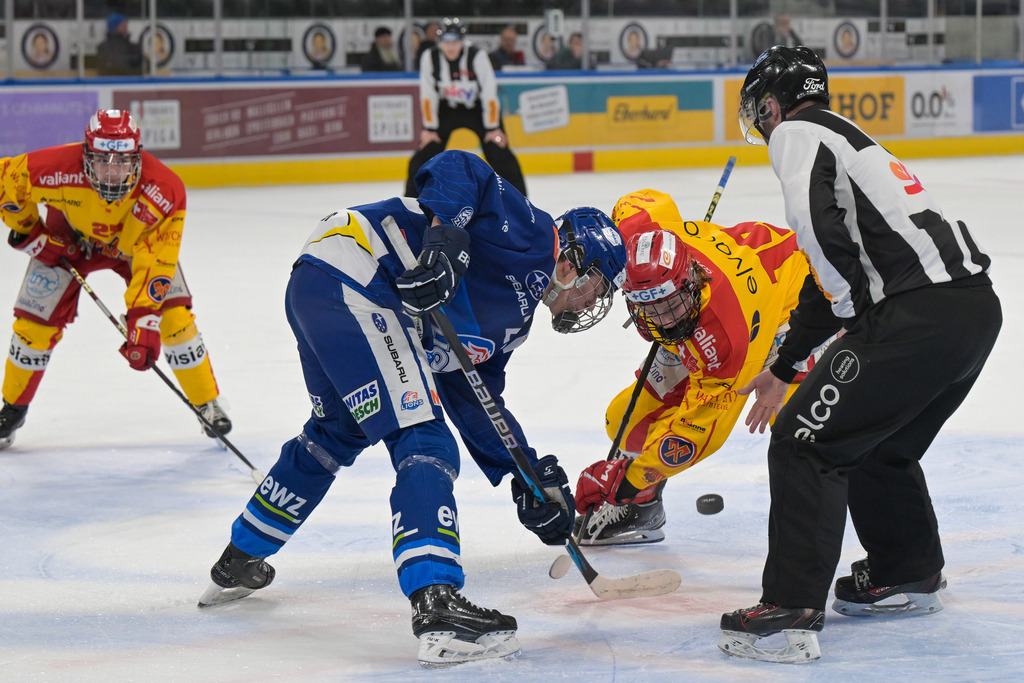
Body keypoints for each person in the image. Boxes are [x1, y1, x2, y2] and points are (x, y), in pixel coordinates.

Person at [197, 150, 627, 668]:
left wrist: (528, 477)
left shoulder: (514, 324)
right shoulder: (534, 235)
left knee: (338, 431)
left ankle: (240, 557)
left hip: (325, 287)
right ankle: (437, 604)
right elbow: (459, 167)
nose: (592, 303)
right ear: (572, 263)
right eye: (598, 286)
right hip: (354, 272)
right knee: (425, 438)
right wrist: (445, 247)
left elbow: (477, 399)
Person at [716, 46, 1001, 663]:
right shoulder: (846, 137)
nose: (761, 124)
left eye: (758, 112)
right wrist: (787, 368)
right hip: (972, 312)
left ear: (771, 103)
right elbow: (832, 276)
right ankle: (906, 572)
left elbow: (820, 243)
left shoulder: (795, 132)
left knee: (803, 440)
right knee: (877, 440)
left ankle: (789, 609)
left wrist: (853, 321)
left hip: (917, 315)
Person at [572, 189, 821, 545]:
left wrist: (627, 480)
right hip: (726, 290)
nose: (662, 320)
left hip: (794, 309)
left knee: (799, 433)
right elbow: (646, 201)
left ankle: (818, 542)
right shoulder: (639, 243)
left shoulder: (725, 337)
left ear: (690, 281)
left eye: (670, 305)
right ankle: (643, 509)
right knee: (625, 417)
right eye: (648, 307)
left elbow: (699, 433)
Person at [0, 110, 231, 450]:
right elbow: (7, 183)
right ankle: (12, 410)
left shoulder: (164, 189)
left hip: (134, 248)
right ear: (85, 155)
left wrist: (143, 320)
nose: (112, 171)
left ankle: (207, 403)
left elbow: (156, 261)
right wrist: (32, 232)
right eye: (101, 160)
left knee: (175, 320)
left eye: (122, 161)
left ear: (137, 156)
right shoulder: (54, 168)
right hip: (68, 243)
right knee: (34, 326)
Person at [405, 18, 527, 199]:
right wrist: (429, 129)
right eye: (446, 41)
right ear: (440, 41)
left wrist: (493, 128)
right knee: (423, 157)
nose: (450, 46)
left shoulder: (477, 56)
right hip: (446, 109)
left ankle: (521, 203)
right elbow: (428, 95)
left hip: (478, 109)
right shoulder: (430, 58)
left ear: (462, 40)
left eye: (455, 41)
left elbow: (489, 93)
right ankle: (410, 204)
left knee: (499, 152)